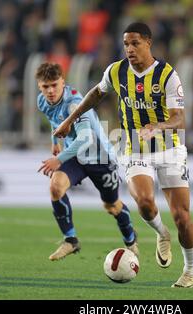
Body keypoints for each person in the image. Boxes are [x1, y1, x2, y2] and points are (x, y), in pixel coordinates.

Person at [54, 22, 193, 288]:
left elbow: (179, 119)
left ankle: (190, 270)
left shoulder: (168, 75)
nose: (129, 49)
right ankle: (161, 233)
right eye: (126, 44)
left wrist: (158, 126)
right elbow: (97, 93)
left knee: (182, 217)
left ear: (148, 43)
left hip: (169, 146)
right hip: (134, 146)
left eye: (135, 43)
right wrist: (70, 120)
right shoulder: (117, 71)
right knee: (144, 201)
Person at [35, 62, 138, 261]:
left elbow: (86, 138)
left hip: (99, 157)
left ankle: (131, 240)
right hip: (75, 155)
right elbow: (54, 120)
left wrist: (58, 159)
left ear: (62, 82)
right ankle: (70, 240)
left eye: (54, 85)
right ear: (39, 86)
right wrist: (55, 141)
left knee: (111, 206)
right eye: (45, 87)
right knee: (56, 188)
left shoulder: (74, 102)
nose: (50, 91)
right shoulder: (42, 101)